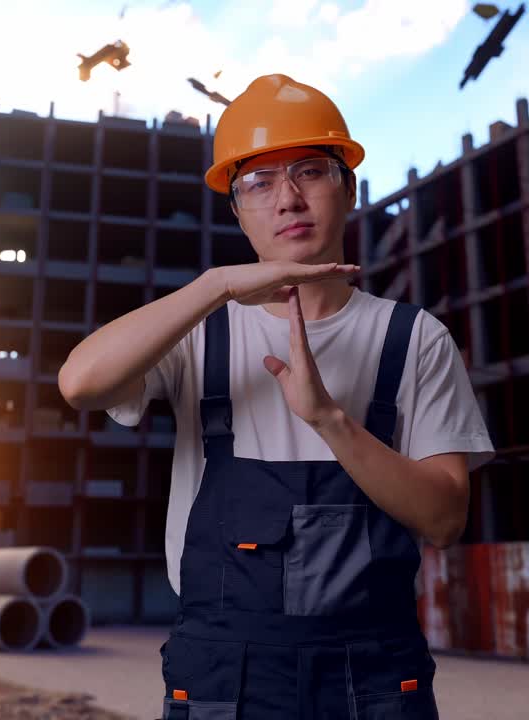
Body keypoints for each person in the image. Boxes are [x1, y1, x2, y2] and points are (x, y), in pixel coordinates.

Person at [59, 73, 495, 720]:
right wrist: (216, 285)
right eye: (258, 183)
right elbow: (80, 383)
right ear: (236, 211)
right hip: (222, 676)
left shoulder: (413, 339)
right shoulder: (197, 335)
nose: (287, 199)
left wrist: (330, 420)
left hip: (372, 677)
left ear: (347, 187)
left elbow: (444, 520)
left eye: (309, 171)